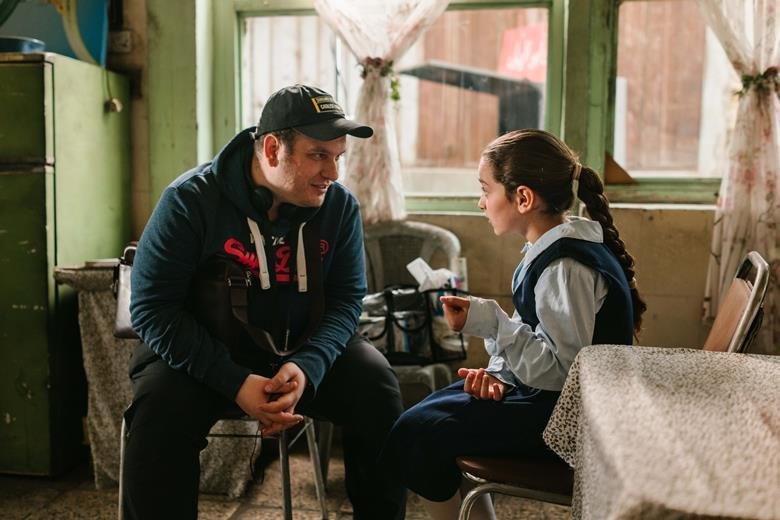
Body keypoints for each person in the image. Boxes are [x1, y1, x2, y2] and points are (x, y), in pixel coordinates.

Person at [123, 84, 406, 519]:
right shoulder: (190, 200)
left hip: (300, 349)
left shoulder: (339, 208)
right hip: (204, 352)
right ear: (273, 149)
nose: (332, 173)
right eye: (318, 155)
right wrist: (235, 381)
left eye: (338, 157)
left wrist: (307, 367)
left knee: (377, 386)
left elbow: (347, 302)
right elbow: (152, 309)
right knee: (158, 412)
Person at [380, 129, 646, 519]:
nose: (481, 202)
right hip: (547, 398)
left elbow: (560, 372)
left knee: (422, 433)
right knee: (423, 418)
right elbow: (533, 333)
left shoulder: (564, 266)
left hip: (569, 418)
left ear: (523, 198)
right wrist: (500, 374)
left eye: (485, 190)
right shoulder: (551, 249)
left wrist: (490, 321)